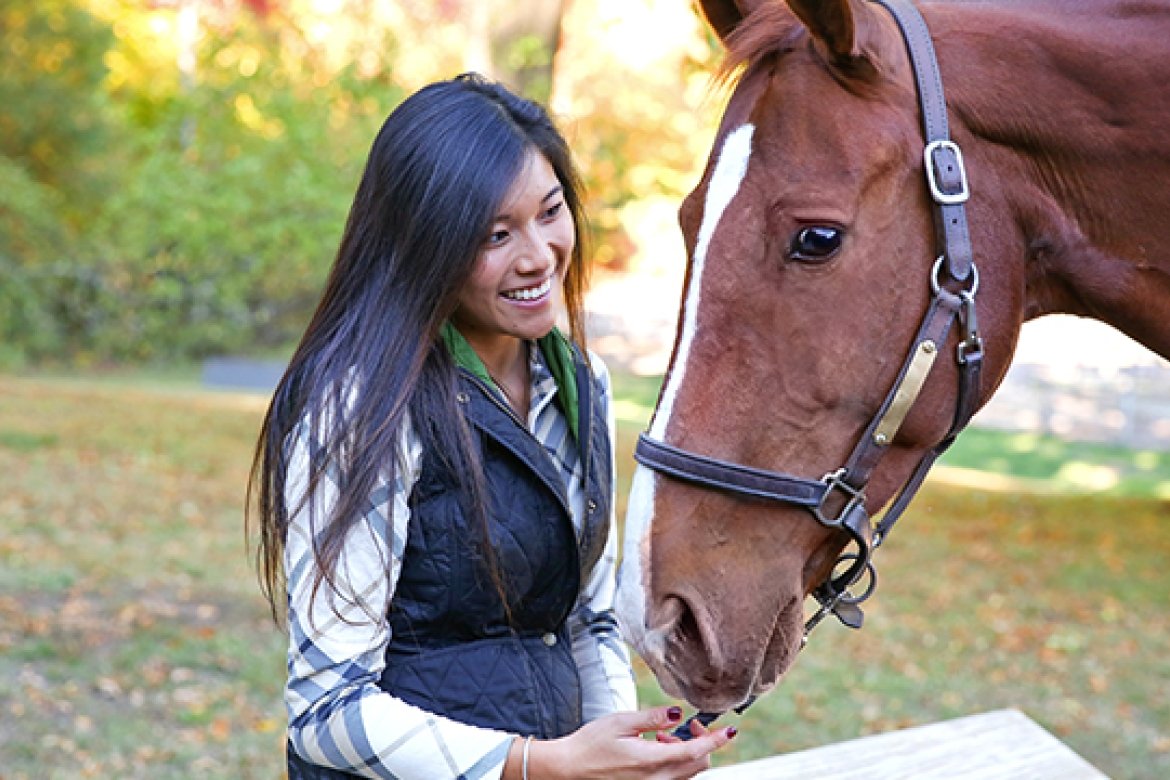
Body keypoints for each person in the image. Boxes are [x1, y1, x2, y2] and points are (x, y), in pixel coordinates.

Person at [249, 73, 735, 779]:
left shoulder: (580, 386)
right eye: (495, 234)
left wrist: (617, 753)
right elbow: (326, 709)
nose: (537, 256)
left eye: (550, 211)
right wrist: (541, 763)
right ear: (426, 244)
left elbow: (586, 619)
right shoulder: (361, 405)